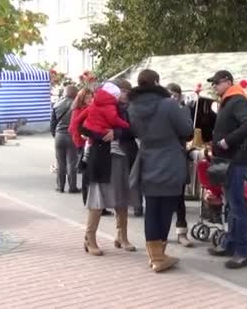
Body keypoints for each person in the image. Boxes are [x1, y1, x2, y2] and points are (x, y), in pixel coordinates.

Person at [128, 69, 193, 273]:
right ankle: (159, 256)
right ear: (156, 82)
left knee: (152, 208)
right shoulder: (168, 105)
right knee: (166, 208)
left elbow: (135, 132)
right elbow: (187, 131)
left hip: (147, 158)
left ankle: (153, 255)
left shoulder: (132, 107)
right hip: (170, 159)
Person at [206, 70, 247, 269]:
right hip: (227, 160)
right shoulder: (228, 100)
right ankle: (229, 244)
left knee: (237, 206)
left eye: (217, 83)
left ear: (228, 82)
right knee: (231, 205)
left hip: (235, 161)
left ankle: (242, 253)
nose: (215, 87)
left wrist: (228, 141)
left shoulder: (237, 99)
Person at [79, 81, 140, 256]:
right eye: (121, 91)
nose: (124, 94)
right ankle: (89, 238)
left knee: (121, 197)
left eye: (126, 91)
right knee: (97, 200)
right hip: (100, 156)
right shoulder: (96, 105)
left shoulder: (128, 109)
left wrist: (117, 133)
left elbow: (135, 130)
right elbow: (81, 127)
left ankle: (122, 236)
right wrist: (99, 133)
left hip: (121, 157)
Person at [165, 82, 194, 248]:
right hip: (163, 159)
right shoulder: (159, 111)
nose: (172, 98)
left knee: (179, 197)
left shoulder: (184, 110)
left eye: (175, 96)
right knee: (163, 198)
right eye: (169, 95)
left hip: (179, 156)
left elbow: (189, 134)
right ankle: (162, 233)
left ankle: (182, 232)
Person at [50, 85, 79, 193]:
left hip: (59, 135)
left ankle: (60, 187)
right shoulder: (77, 105)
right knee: (71, 162)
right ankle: (72, 187)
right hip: (71, 135)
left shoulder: (56, 104)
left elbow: (52, 123)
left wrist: (55, 134)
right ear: (75, 93)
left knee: (60, 163)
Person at [68, 87, 93, 205]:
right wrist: (83, 138)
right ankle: (87, 199)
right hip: (84, 144)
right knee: (87, 173)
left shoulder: (79, 109)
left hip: (84, 143)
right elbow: (74, 127)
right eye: (87, 97)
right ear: (81, 98)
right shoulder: (80, 110)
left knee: (86, 173)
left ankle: (87, 199)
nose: (89, 99)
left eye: (90, 97)